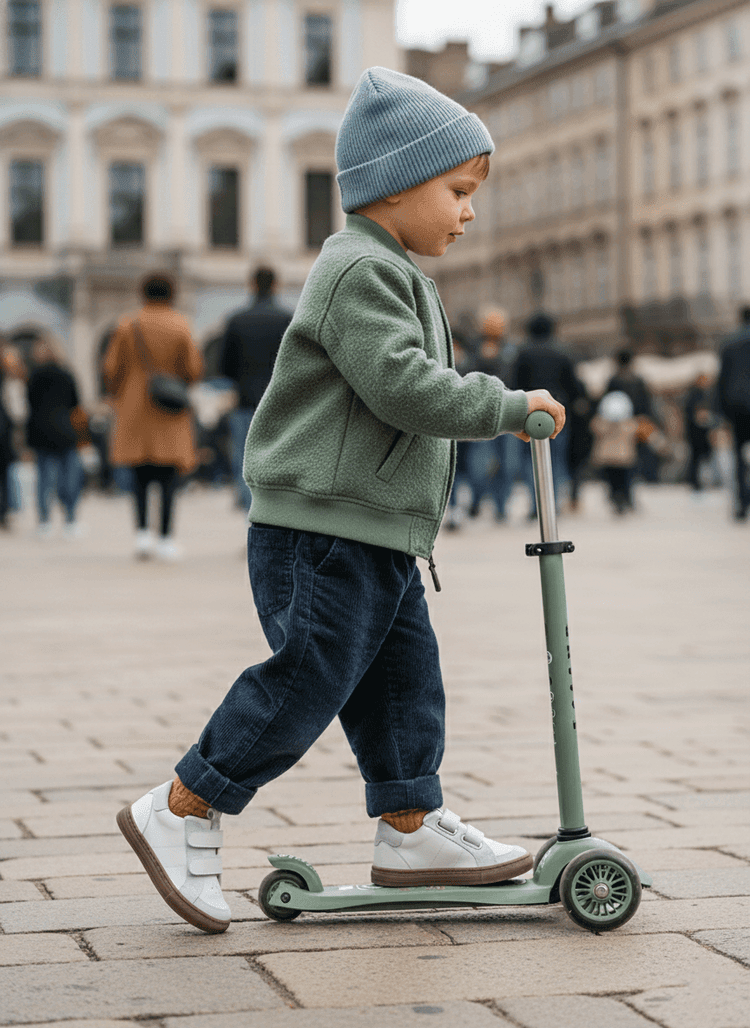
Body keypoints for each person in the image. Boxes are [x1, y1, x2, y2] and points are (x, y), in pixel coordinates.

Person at [115, 66, 566, 934]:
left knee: (404, 684)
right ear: (396, 183)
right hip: (322, 531)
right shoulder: (360, 270)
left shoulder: (392, 269)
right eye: (457, 190)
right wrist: (503, 407)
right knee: (307, 681)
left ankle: (409, 825)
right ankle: (185, 805)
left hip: (374, 532)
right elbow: (402, 386)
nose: (469, 211)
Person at [103, 273, 203, 560]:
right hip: (169, 410)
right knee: (169, 477)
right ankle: (166, 538)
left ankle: (142, 535)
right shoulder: (180, 324)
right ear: (171, 294)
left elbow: (111, 368)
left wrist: (120, 393)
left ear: (142, 294)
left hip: (135, 408)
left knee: (140, 476)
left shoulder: (127, 324)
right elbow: (194, 369)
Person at [219, 267, 292, 510]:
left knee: (244, 461)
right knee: (279, 461)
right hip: (280, 403)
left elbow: (224, 367)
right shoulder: (287, 319)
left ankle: (252, 521)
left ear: (251, 285)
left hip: (244, 400)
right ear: (275, 285)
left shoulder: (236, 320)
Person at [514, 311, 582, 516]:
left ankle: (536, 505)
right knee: (557, 460)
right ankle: (552, 504)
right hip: (557, 411)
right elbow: (574, 386)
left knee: (529, 460)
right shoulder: (563, 352)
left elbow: (515, 383)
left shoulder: (523, 352)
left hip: (529, 411)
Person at [25, 336, 85, 539]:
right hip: (64, 429)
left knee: (44, 478)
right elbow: (75, 403)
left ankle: (44, 522)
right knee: (69, 477)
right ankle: (70, 520)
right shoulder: (67, 374)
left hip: (41, 431)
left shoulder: (35, 375)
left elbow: (30, 403)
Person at [465, 308, 519, 522]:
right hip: (481, 413)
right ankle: (477, 499)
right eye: (490, 323)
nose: (495, 327)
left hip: (508, 411)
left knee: (508, 464)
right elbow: (465, 375)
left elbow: (516, 377)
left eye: (498, 323)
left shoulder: (511, 349)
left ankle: (500, 506)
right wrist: (481, 358)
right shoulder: (475, 348)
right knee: (479, 465)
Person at [606, 348, 660, 485]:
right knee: (633, 459)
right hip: (637, 422)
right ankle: (630, 489)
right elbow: (646, 404)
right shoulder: (638, 380)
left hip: (617, 425)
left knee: (616, 460)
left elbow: (607, 404)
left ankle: (618, 491)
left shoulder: (614, 380)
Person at [717, 306, 750, 520]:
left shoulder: (729, 342)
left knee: (738, 455)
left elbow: (722, 380)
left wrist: (721, 410)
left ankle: (741, 500)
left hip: (737, 405)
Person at [590, 391, 639, 515]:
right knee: (617, 482)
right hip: (618, 458)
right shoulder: (624, 424)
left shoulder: (623, 424)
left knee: (619, 482)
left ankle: (621, 500)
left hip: (616, 458)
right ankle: (620, 500)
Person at [683, 372, 716, 493]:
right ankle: (695, 481)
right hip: (696, 432)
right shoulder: (695, 394)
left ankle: (701, 481)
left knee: (701, 457)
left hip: (701, 431)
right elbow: (692, 413)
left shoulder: (704, 394)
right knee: (697, 458)